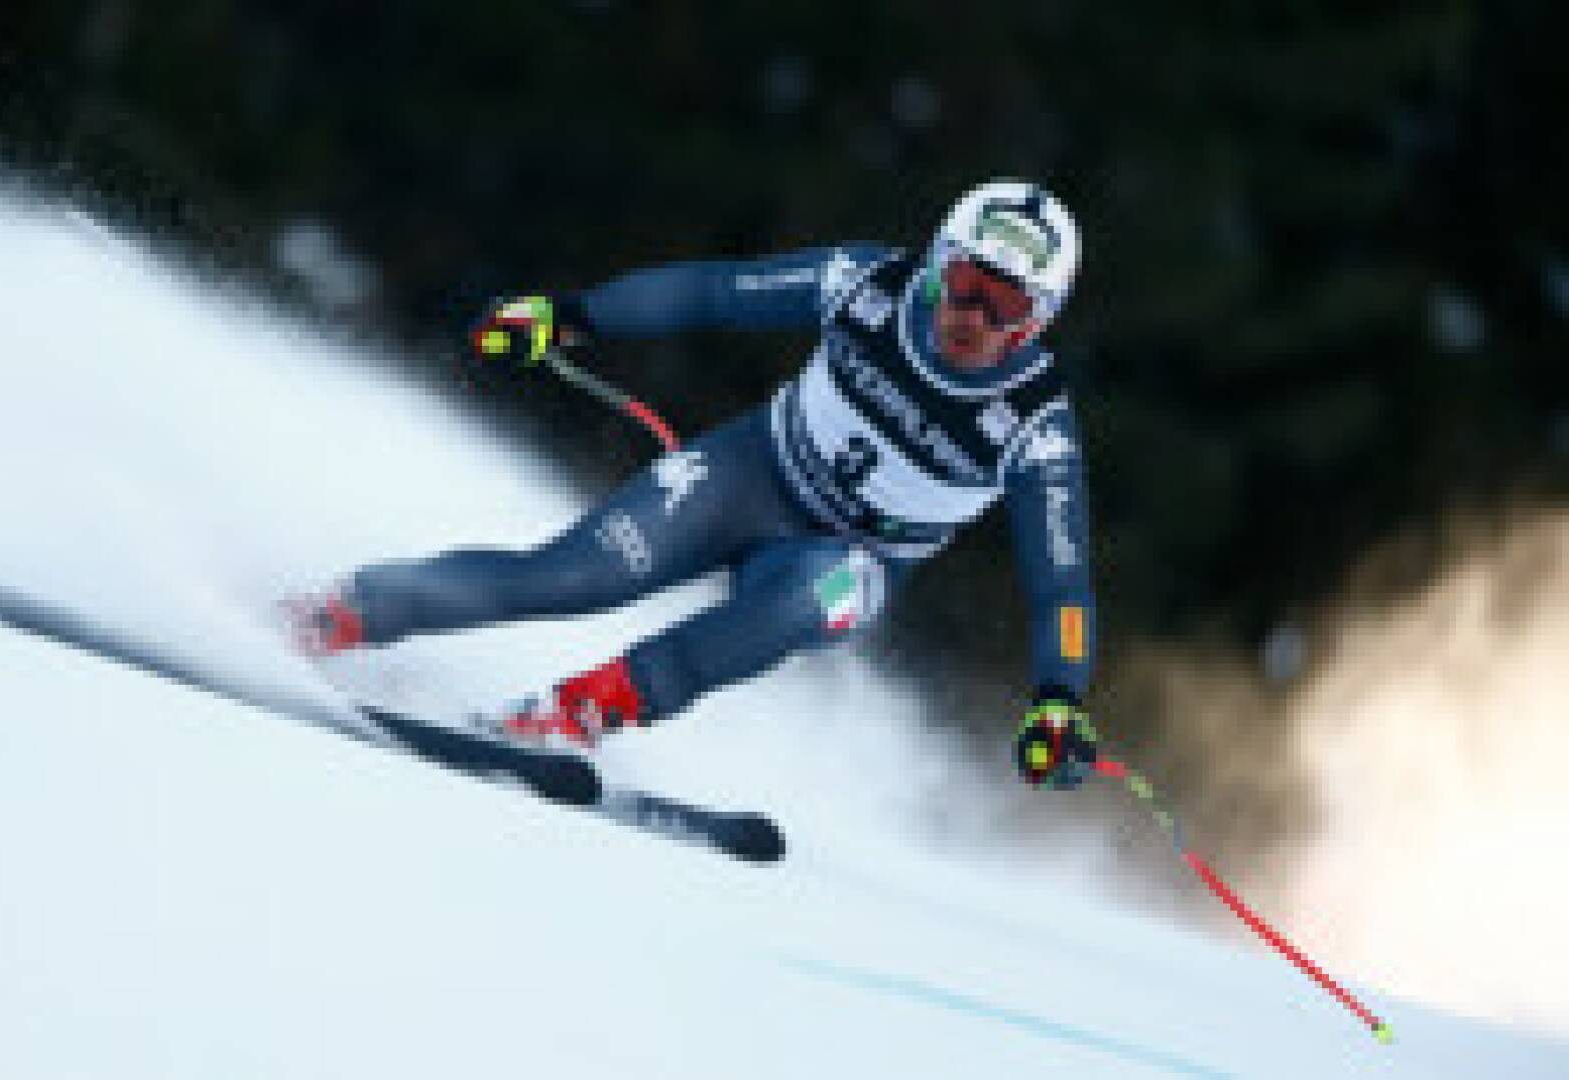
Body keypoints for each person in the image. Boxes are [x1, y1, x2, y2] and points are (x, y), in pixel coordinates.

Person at [287, 179, 1102, 790]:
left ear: (1040, 320)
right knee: (572, 576)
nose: (974, 318)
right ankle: (345, 610)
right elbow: (716, 291)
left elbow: (1060, 582)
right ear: (936, 264)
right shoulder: (866, 285)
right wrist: (567, 317)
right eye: (965, 285)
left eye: (1006, 306)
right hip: (751, 473)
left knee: (800, 602)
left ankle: (580, 710)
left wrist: (1058, 699)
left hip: (850, 556)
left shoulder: (1035, 427)